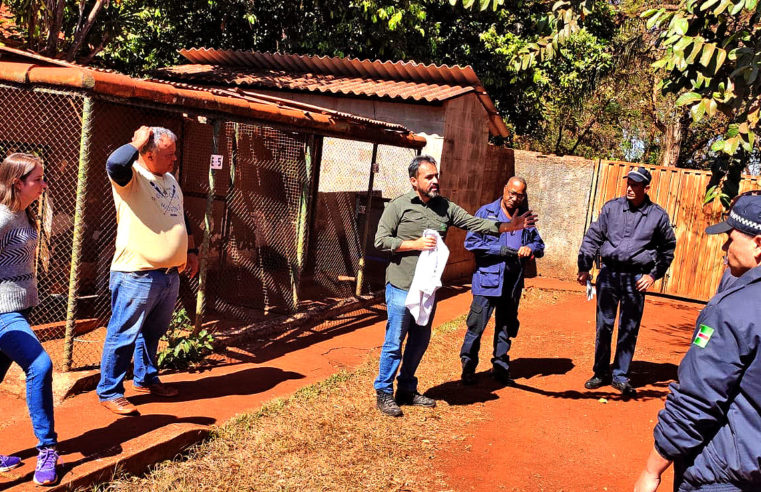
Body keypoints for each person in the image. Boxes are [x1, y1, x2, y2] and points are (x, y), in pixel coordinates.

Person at [373, 155, 537, 417]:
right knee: (395, 341)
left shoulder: (445, 207)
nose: (436, 180)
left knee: (419, 341)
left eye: (436, 176)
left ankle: (406, 388)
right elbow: (380, 241)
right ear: (414, 181)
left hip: (428, 288)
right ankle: (384, 391)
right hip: (402, 286)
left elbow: (474, 223)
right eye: (429, 177)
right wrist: (413, 244)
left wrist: (507, 227)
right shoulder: (398, 206)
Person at [634, 193, 761, 492]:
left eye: (731, 238)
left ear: (758, 243)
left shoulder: (733, 310)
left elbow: (699, 397)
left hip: (724, 473)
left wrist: (652, 470)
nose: (725, 246)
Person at [97, 126, 198, 415]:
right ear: (148, 154)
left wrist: (191, 251)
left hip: (169, 274)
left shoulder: (170, 180)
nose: (174, 159)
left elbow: (181, 217)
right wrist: (135, 142)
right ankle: (110, 390)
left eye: (174, 153)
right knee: (123, 333)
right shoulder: (131, 178)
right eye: (168, 154)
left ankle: (146, 379)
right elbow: (114, 164)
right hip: (136, 273)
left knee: (153, 332)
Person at [577, 167, 676, 395]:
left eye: (636, 185)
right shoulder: (611, 208)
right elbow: (593, 237)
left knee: (628, 329)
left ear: (646, 187)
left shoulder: (657, 216)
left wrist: (652, 275)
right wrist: (584, 266)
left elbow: (668, 248)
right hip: (609, 275)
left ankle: (620, 375)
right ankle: (600, 372)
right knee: (604, 326)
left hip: (635, 278)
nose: (630, 188)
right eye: (628, 183)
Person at [0, 153, 59, 485]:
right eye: (37, 179)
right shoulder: (4, 216)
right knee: (40, 366)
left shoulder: (23, 213)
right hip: (3, 312)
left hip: (19, 307)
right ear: (16, 183)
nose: (43, 184)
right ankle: (48, 449)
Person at [459, 177, 545, 386]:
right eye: (511, 193)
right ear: (504, 189)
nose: (514, 199)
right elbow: (471, 242)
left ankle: (500, 368)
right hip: (487, 282)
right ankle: (468, 368)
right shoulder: (486, 213)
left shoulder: (524, 218)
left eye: (519, 195)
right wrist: (501, 250)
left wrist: (530, 249)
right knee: (476, 327)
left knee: (505, 327)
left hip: (512, 283)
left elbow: (539, 245)